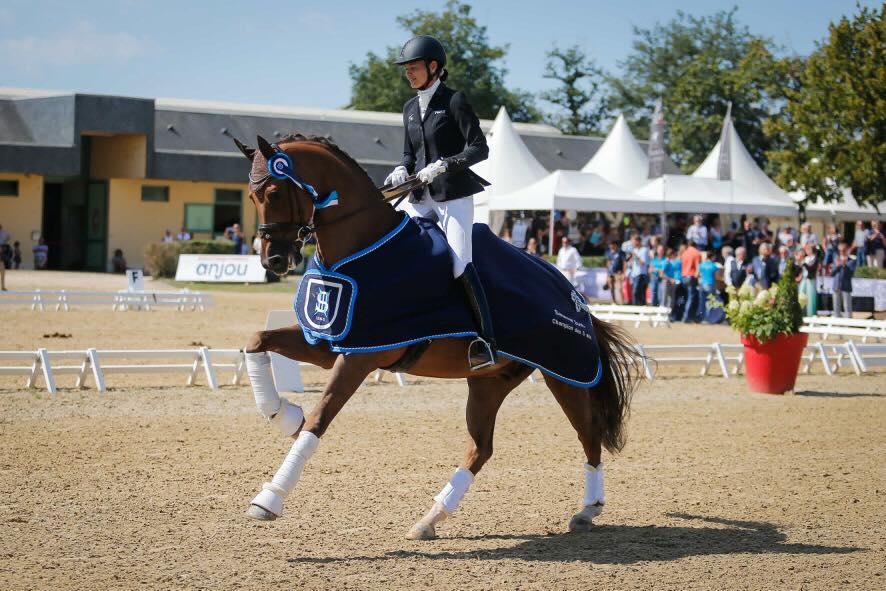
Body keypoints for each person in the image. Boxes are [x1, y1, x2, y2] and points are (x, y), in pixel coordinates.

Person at [384, 35, 493, 369]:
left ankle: (484, 341)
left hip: (452, 196)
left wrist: (445, 164)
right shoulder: (409, 108)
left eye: (414, 68)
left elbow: (479, 148)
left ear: (434, 67)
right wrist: (402, 168)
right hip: (419, 194)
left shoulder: (454, 101)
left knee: (461, 261)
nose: (409, 74)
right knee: (388, 239)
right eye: (406, 70)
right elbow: (409, 153)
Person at [831, 240, 856, 318]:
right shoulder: (836, 259)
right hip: (836, 285)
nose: (841, 252)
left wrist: (845, 265)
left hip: (846, 285)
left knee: (847, 306)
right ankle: (837, 322)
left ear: (847, 249)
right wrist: (837, 266)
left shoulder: (851, 260)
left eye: (843, 250)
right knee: (836, 306)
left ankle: (849, 322)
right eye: (840, 250)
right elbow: (832, 273)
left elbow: (851, 273)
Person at [680, 240, 701, 322]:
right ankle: (686, 317)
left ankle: (690, 316)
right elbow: (698, 267)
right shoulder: (696, 253)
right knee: (691, 298)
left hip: (684, 277)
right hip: (691, 276)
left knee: (688, 297)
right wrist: (698, 278)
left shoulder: (684, 253)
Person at [628, 234, 650, 306]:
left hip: (641, 274)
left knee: (637, 292)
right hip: (634, 274)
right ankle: (638, 308)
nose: (632, 243)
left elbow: (643, 263)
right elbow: (631, 263)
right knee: (636, 292)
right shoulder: (634, 250)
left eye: (633, 241)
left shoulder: (644, 250)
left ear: (638, 241)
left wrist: (636, 256)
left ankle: (637, 308)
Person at [698, 251, 720, 322]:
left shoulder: (701, 265)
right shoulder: (714, 266)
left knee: (702, 302)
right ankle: (708, 318)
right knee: (710, 302)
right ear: (712, 257)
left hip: (702, 285)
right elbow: (717, 277)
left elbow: (697, 275)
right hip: (710, 284)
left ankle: (701, 318)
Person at [799, 243, 820, 316]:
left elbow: (811, 268)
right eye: (806, 249)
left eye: (808, 249)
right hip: (804, 278)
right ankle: (802, 313)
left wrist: (804, 264)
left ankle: (811, 314)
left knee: (810, 296)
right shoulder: (806, 258)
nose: (807, 251)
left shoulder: (814, 258)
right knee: (801, 293)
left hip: (810, 278)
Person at [606, 241, 626, 305]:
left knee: (619, 288)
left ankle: (622, 302)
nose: (611, 247)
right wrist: (608, 273)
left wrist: (623, 272)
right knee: (611, 288)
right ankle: (614, 302)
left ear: (616, 245)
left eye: (612, 245)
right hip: (610, 273)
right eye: (610, 245)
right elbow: (608, 262)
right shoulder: (609, 253)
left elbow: (624, 263)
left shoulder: (621, 253)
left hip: (618, 272)